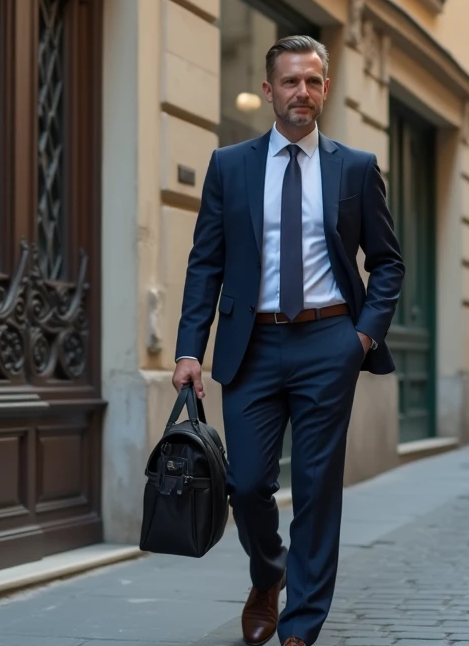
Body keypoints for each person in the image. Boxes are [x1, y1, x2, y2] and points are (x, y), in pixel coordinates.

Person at [171, 35, 404, 646]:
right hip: (251, 345)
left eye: (313, 81)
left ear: (325, 89)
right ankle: (267, 571)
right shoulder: (230, 166)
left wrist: (361, 338)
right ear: (269, 89)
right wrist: (190, 351)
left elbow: (388, 263)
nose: (302, 92)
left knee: (318, 488)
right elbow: (205, 264)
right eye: (291, 81)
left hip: (329, 341)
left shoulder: (354, 167)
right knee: (246, 484)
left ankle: (301, 626)